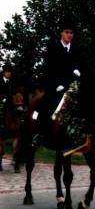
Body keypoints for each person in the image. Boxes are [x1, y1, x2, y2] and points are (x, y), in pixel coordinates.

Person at [31, 16, 82, 146]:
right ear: (61, 33)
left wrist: (78, 70)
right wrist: (56, 84)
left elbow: (80, 64)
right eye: (67, 32)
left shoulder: (76, 48)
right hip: (54, 85)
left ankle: (87, 135)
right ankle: (39, 134)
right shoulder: (52, 47)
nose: (69, 35)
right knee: (45, 104)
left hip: (72, 86)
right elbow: (48, 68)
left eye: (71, 33)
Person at [0, 63, 15, 170]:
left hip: (8, 105)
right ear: (4, 72)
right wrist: (3, 98)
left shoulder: (11, 82)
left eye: (10, 72)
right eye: (7, 72)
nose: (9, 73)